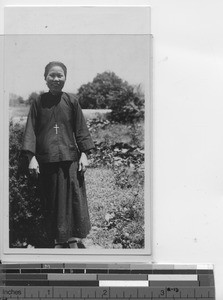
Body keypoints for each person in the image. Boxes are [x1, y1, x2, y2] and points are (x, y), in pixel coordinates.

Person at [22, 61, 95, 248]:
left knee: (72, 200)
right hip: (47, 161)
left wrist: (84, 154)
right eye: (52, 75)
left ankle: (71, 238)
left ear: (65, 78)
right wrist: (32, 158)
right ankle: (55, 238)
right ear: (45, 78)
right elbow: (30, 130)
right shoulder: (38, 102)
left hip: (70, 159)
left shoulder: (72, 101)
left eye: (60, 75)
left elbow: (81, 130)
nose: (56, 79)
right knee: (51, 200)